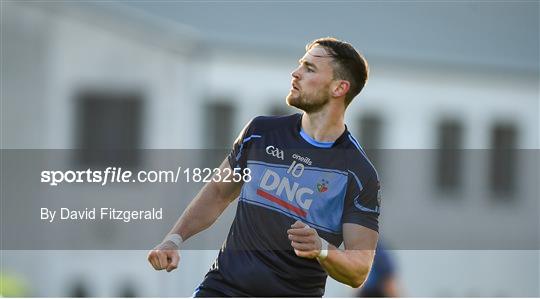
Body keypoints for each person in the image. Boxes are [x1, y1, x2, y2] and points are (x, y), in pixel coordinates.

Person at [147, 37, 381, 297]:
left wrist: (323, 249)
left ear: (339, 87)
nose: (296, 73)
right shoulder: (260, 133)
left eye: (310, 69)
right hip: (222, 289)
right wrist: (174, 239)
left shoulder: (359, 173)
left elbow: (359, 270)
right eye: (300, 65)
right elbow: (217, 193)